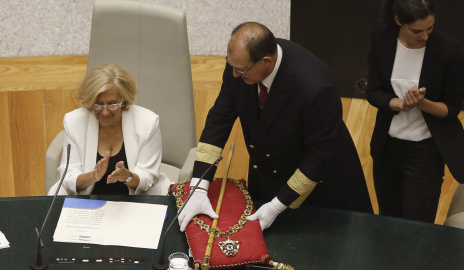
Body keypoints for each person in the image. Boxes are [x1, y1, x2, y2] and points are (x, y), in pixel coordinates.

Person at [178, 22, 373, 232]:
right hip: (267, 172)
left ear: (267, 62)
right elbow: (219, 118)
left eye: (241, 71)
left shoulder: (315, 87)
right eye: (231, 65)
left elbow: (320, 155)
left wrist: (276, 206)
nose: (234, 75)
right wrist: (198, 186)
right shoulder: (239, 65)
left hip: (318, 186)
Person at [367, 0, 464, 223]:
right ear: (399, 21)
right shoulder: (382, 38)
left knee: (418, 226)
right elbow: (373, 91)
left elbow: (451, 109)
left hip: (425, 152)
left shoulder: (449, 52)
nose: (425, 36)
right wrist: (400, 104)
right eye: (417, 30)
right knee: (388, 220)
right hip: (387, 148)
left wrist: (421, 103)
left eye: (430, 28)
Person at [57, 63, 170, 195]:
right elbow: (69, 175)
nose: (105, 112)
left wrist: (127, 176)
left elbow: (148, 177)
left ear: (124, 99)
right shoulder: (74, 121)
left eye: (112, 104)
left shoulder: (147, 122)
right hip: (89, 199)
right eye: (98, 104)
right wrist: (93, 177)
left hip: (136, 199)